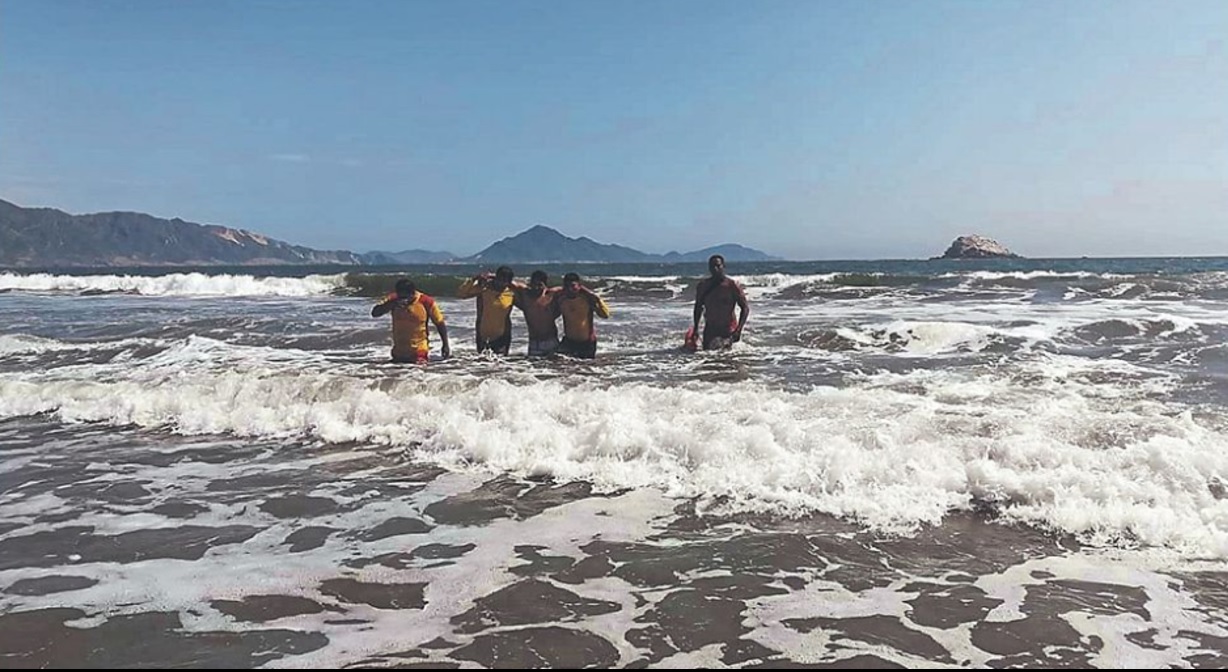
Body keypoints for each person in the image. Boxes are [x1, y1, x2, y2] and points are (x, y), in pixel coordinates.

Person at [371, 278, 450, 363]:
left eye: (406, 297)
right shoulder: (392, 299)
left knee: (417, 370)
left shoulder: (426, 301)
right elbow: (375, 313)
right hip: (398, 352)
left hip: (419, 350)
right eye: (400, 297)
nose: (403, 299)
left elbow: (439, 323)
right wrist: (392, 304)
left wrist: (445, 345)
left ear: (413, 293)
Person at [691, 254, 749, 350]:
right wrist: (695, 329)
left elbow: (745, 308)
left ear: (723, 266)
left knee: (726, 356)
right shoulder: (703, 286)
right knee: (707, 355)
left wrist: (738, 330)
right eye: (712, 266)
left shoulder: (731, 285)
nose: (715, 269)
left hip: (728, 329)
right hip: (710, 329)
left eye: (718, 266)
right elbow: (698, 307)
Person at [458, 266, 518, 355]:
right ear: (497, 278)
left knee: (502, 362)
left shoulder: (511, 293)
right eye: (500, 280)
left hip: (502, 336)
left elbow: (526, 289)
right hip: (483, 334)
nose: (502, 283)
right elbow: (462, 293)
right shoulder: (484, 289)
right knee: (483, 361)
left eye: (506, 281)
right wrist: (475, 278)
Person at [552, 272, 610, 359]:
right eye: (567, 286)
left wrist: (597, 299)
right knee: (559, 363)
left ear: (579, 286)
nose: (570, 289)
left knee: (586, 366)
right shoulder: (561, 300)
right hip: (569, 342)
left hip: (587, 343)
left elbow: (605, 315)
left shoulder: (587, 299)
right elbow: (551, 316)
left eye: (573, 286)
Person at [516, 270, 561, 357]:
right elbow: (513, 284)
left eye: (539, 285)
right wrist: (493, 277)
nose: (536, 287)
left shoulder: (550, 295)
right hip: (534, 343)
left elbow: (568, 289)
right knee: (533, 365)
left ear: (545, 285)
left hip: (551, 341)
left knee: (554, 365)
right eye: (534, 284)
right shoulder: (526, 295)